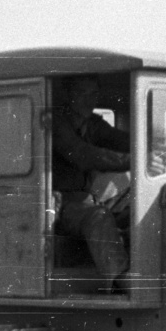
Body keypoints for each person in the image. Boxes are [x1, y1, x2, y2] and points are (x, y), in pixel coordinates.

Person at [52, 77, 131, 288]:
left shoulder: (92, 124)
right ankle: (120, 279)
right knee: (99, 217)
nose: (90, 100)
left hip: (89, 200)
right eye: (82, 93)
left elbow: (120, 139)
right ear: (69, 96)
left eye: (94, 94)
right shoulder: (57, 124)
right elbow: (82, 154)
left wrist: (154, 146)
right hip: (62, 204)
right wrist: (133, 160)